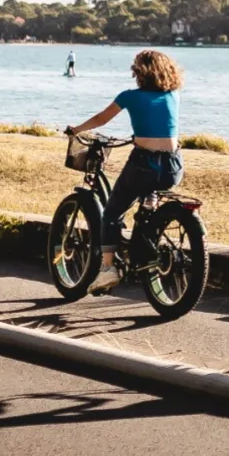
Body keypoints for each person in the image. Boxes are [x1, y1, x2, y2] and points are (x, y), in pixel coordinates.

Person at [64, 49, 184, 293]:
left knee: (111, 214)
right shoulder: (174, 95)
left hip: (144, 164)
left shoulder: (129, 96)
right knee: (149, 194)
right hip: (173, 165)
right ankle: (147, 220)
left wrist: (76, 129)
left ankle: (108, 269)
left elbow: (101, 118)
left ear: (139, 72)